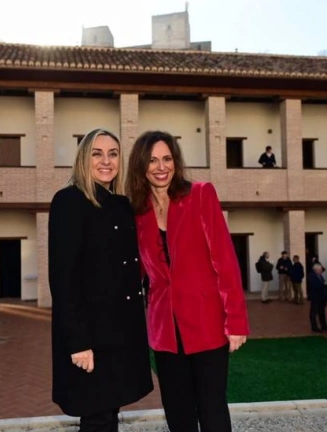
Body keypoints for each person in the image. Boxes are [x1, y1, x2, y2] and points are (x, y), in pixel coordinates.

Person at [127, 130, 249, 432]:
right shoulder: (136, 213)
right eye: (152, 160)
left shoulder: (201, 195)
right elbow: (134, 272)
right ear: (140, 165)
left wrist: (236, 320)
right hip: (164, 332)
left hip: (207, 324)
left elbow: (225, 261)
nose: (161, 167)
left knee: (211, 409)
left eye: (167, 158)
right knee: (177, 412)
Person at [48, 129, 153, 431]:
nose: (106, 161)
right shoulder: (69, 201)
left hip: (122, 332)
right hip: (91, 336)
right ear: (84, 158)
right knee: (96, 417)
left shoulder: (121, 204)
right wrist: (78, 342)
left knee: (110, 413)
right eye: (97, 153)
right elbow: (63, 280)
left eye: (113, 154)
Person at [307, 263, 327, 333]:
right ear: (315, 270)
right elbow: (315, 285)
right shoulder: (311, 276)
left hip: (321, 296)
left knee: (322, 312)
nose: (321, 271)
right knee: (314, 312)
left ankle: (324, 326)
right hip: (315, 297)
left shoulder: (320, 275)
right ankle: (314, 327)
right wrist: (324, 285)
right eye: (320, 270)